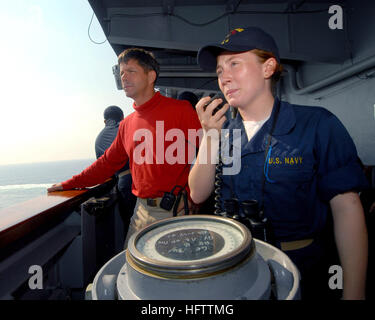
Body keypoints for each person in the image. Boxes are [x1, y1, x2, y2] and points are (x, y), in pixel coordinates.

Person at [188, 27, 369, 299]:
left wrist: (354, 293)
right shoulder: (222, 133)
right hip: (237, 268)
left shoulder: (317, 124)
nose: (224, 77)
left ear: (268, 67)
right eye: (219, 70)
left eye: (234, 64)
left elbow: (347, 207)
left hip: (302, 266)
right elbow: (197, 192)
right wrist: (210, 138)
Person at [48, 48, 201, 247]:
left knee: (174, 275)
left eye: (131, 71)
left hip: (176, 210)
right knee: (131, 269)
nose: (124, 77)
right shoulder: (126, 124)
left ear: (151, 76)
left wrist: (194, 199)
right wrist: (69, 183)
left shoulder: (181, 110)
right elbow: (106, 164)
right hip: (141, 211)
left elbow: (205, 155)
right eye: (121, 73)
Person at [95, 105, 136, 238]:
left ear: (105, 121)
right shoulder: (130, 127)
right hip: (145, 178)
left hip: (125, 182)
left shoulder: (99, 139)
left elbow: (103, 169)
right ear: (122, 118)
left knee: (130, 224)